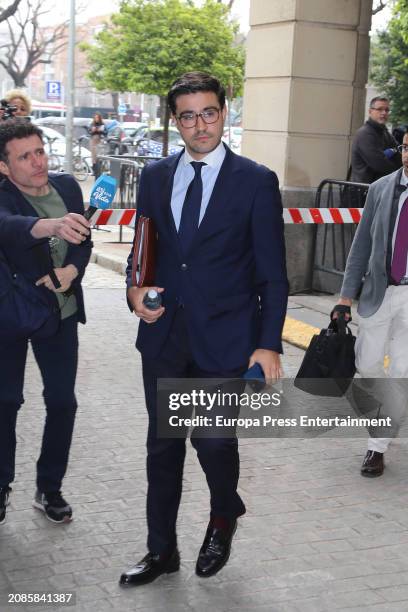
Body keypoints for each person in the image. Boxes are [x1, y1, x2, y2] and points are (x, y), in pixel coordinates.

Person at [121, 72, 288, 586]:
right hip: (165, 336)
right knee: (163, 447)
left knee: (214, 441)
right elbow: (143, 250)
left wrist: (267, 344)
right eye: (188, 116)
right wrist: (133, 289)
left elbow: (272, 273)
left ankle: (223, 514)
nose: (200, 125)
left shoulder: (256, 180)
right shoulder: (154, 177)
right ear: (176, 121)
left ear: (224, 112)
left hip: (227, 338)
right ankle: (161, 551)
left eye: (209, 113)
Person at [0, 120, 92, 525]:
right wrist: (48, 225)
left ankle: (49, 488)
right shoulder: (2, 195)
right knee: (6, 402)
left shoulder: (67, 186)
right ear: (4, 167)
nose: (38, 162)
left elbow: (83, 238)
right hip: (11, 315)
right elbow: (6, 228)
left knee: (62, 402)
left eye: (39, 151)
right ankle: (1, 485)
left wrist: (73, 271)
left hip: (61, 312)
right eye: (24, 156)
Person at [333, 130, 408, 477]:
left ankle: (377, 446)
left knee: (401, 373)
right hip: (378, 292)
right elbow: (360, 246)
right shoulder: (380, 189)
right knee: (367, 365)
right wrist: (346, 297)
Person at [350, 96, 401, 184]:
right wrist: (401, 173)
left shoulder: (385, 133)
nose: (384, 113)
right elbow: (380, 164)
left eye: (387, 110)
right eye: (380, 109)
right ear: (370, 112)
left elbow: (399, 155)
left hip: (381, 187)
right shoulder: (364, 134)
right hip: (364, 190)